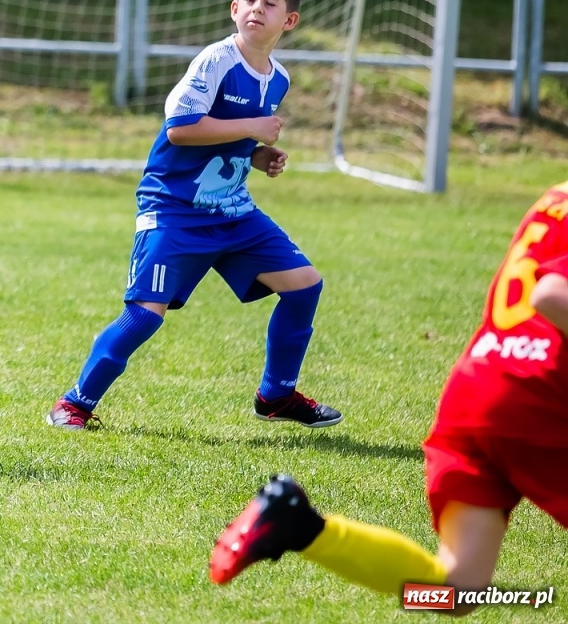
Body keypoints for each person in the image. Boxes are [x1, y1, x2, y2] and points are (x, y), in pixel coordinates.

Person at [210, 182, 568, 607]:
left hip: (476, 388)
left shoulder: (556, 195)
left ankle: (298, 526)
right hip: (538, 400)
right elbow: (551, 295)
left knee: (456, 593)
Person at [47, 0, 341, 430]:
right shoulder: (216, 60)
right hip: (174, 210)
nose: (256, 9)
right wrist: (255, 128)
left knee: (305, 285)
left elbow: (229, 138)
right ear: (233, 8)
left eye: (269, 3)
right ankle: (74, 403)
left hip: (231, 212)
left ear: (289, 20)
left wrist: (255, 155)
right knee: (145, 315)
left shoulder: (278, 77)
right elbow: (181, 129)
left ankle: (276, 396)